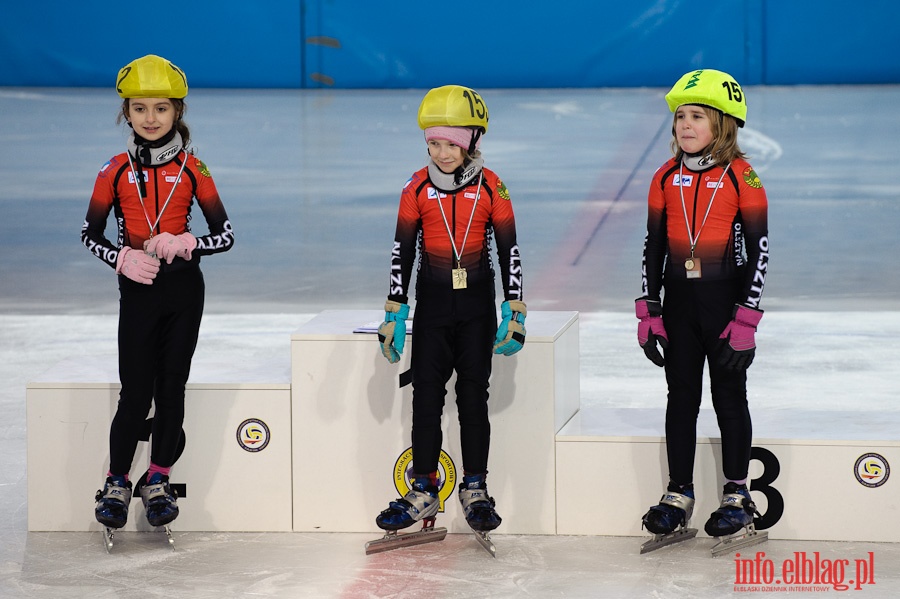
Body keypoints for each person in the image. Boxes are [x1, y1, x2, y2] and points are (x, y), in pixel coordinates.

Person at [83, 55, 234, 531]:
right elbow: (90, 233)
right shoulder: (114, 171)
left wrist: (190, 243)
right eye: (140, 108)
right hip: (139, 288)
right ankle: (115, 482)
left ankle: (159, 480)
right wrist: (121, 257)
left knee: (171, 389)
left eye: (162, 109)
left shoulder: (195, 169)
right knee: (135, 392)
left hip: (185, 289)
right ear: (126, 112)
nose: (151, 118)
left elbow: (225, 234)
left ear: (178, 113)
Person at [375, 85, 526, 535]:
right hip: (434, 310)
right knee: (425, 397)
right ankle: (423, 488)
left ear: (473, 141)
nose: (442, 153)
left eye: (452, 143)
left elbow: (509, 253)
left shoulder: (492, 187)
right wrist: (395, 313)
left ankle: (475, 487)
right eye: (433, 143)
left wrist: (514, 311)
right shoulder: (416, 188)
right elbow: (401, 254)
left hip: (477, 311)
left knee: (472, 400)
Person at [636, 69, 769, 540]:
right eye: (679, 117)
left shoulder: (741, 176)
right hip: (680, 310)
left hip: (725, 310)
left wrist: (747, 318)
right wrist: (649, 312)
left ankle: (737, 493)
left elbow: (760, 251)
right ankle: (679, 492)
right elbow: (653, 248)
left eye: (696, 116)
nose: (685, 126)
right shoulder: (665, 177)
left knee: (729, 398)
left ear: (723, 124)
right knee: (681, 399)